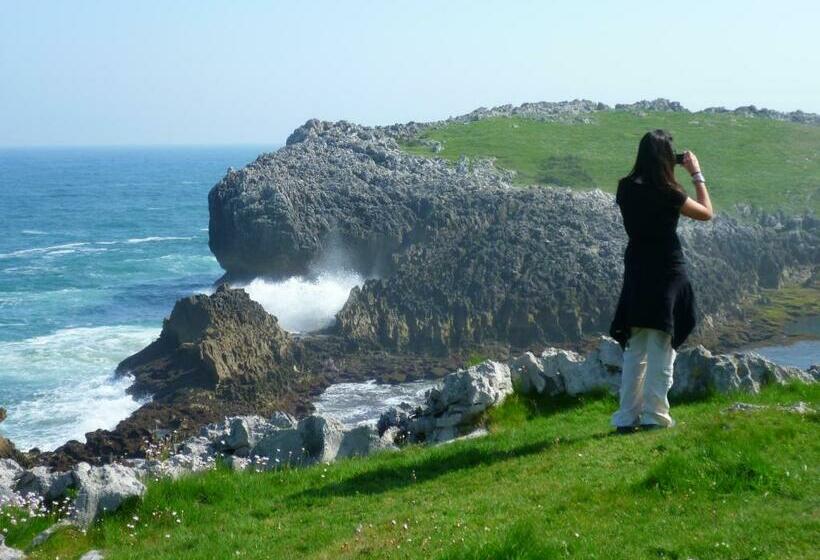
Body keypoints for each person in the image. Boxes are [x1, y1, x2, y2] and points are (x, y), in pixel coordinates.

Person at [608, 129, 713, 435]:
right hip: (667, 268)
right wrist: (696, 174)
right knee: (661, 343)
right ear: (665, 158)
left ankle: (626, 416)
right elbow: (706, 213)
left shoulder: (624, 188)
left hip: (638, 268)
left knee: (636, 344)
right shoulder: (670, 192)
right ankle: (655, 414)